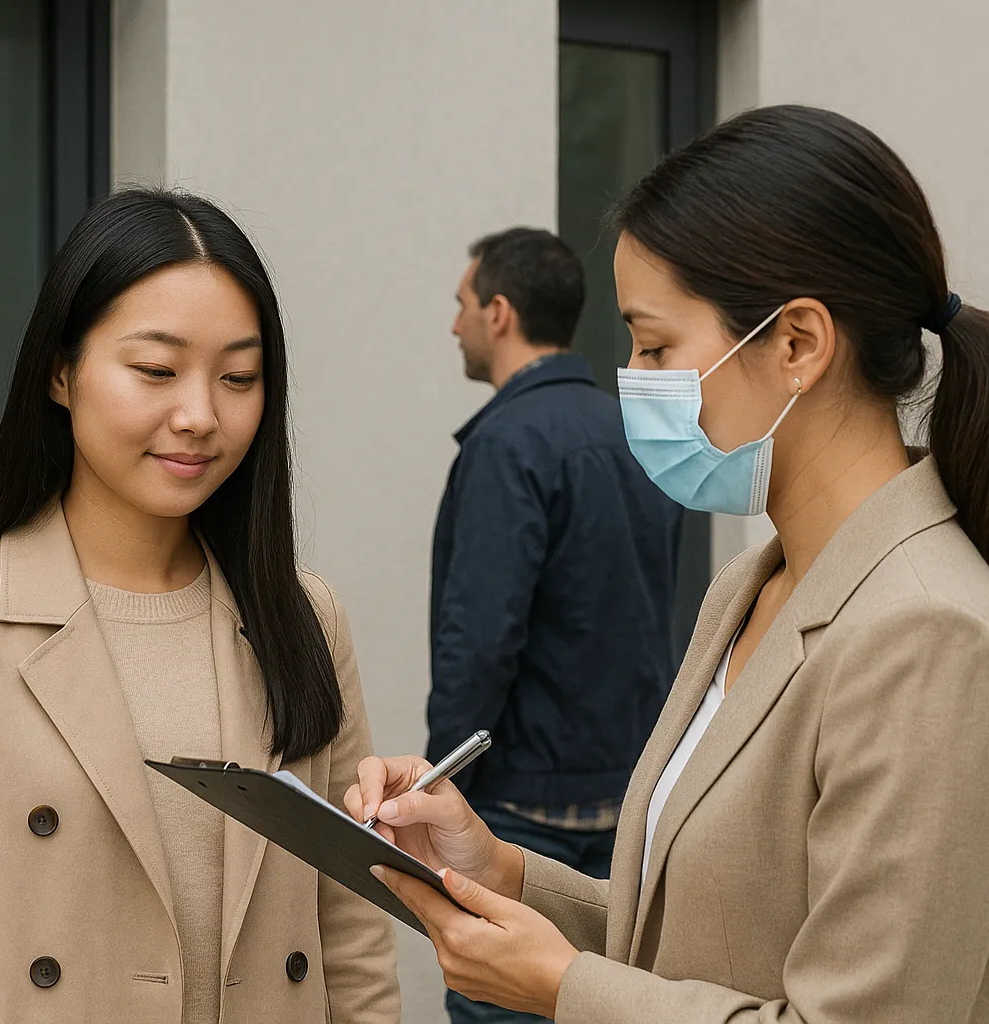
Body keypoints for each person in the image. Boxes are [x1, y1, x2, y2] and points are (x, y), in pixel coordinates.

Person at [347, 104, 989, 1023]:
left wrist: (560, 987)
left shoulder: (927, 630)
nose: (634, 379)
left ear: (798, 344)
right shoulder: (751, 585)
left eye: (655, 345)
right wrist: (498, 868)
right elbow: (694, 933)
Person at [0, 188, 399, 1023]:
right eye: (156, 371)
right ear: (61, 372)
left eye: (238, 378)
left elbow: (352, 944)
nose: (199, 416)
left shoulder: (304, 614)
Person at [428, 228, 681, 1023]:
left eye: (462, 305)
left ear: (499, 313)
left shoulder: (507, 442)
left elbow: (480, 641)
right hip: (629, 802)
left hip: (521, 816)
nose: (455, 324)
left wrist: (444, 783)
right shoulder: (630, 431)